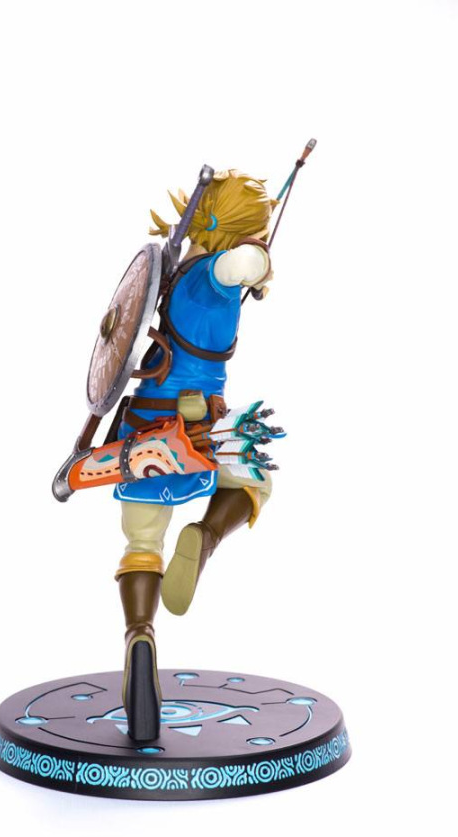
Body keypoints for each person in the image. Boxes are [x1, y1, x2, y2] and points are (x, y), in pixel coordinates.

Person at [114, 170, 277, 740]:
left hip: (144, 426)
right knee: (255, 480)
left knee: (141, 546)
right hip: (201, 425)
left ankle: (139, 633)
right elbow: (240, 266)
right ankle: (205, 538)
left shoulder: (178, 273)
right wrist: (259, 262)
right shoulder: (211, 275)